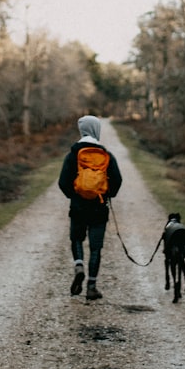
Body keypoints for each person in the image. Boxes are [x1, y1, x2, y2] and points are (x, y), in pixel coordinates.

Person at [57, 114, 123, 301]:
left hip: (78, 207)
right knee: (96, 248)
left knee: (76, 239)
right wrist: (107, 195)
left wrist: (75, 196)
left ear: (81, 130)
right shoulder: (106, 156)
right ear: (96, 130)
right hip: (99, 207)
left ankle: (79, 265)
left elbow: (63, 182)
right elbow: (117, 181)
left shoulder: (73, 155)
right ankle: (92, 287)